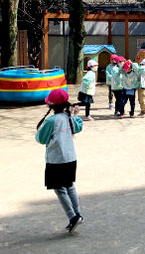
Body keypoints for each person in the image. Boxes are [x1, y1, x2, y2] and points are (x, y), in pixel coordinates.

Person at [35, 89, 84, 233]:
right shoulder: (69, 118)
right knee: (69, 186)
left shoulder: (51, 120)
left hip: (56, 160)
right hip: (70, 158)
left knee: (60, 189)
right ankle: (77, 214)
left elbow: (40, 138)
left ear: (51, 105)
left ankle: (72, 216)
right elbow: (79, 126)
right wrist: (75, 114)